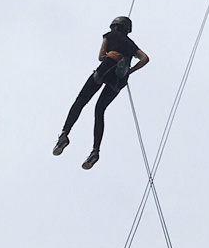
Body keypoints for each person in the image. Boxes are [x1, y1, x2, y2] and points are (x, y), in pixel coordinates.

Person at [53, 16, 150, 169]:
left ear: (115, 26)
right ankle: (95, 151)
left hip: (106, 68)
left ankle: (65, 134)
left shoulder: (109, 36)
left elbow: (100, 57)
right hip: (119, 80)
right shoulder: (131, 44)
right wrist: (130, 71)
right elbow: (144, 58)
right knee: (99, 111)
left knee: (81, 101)